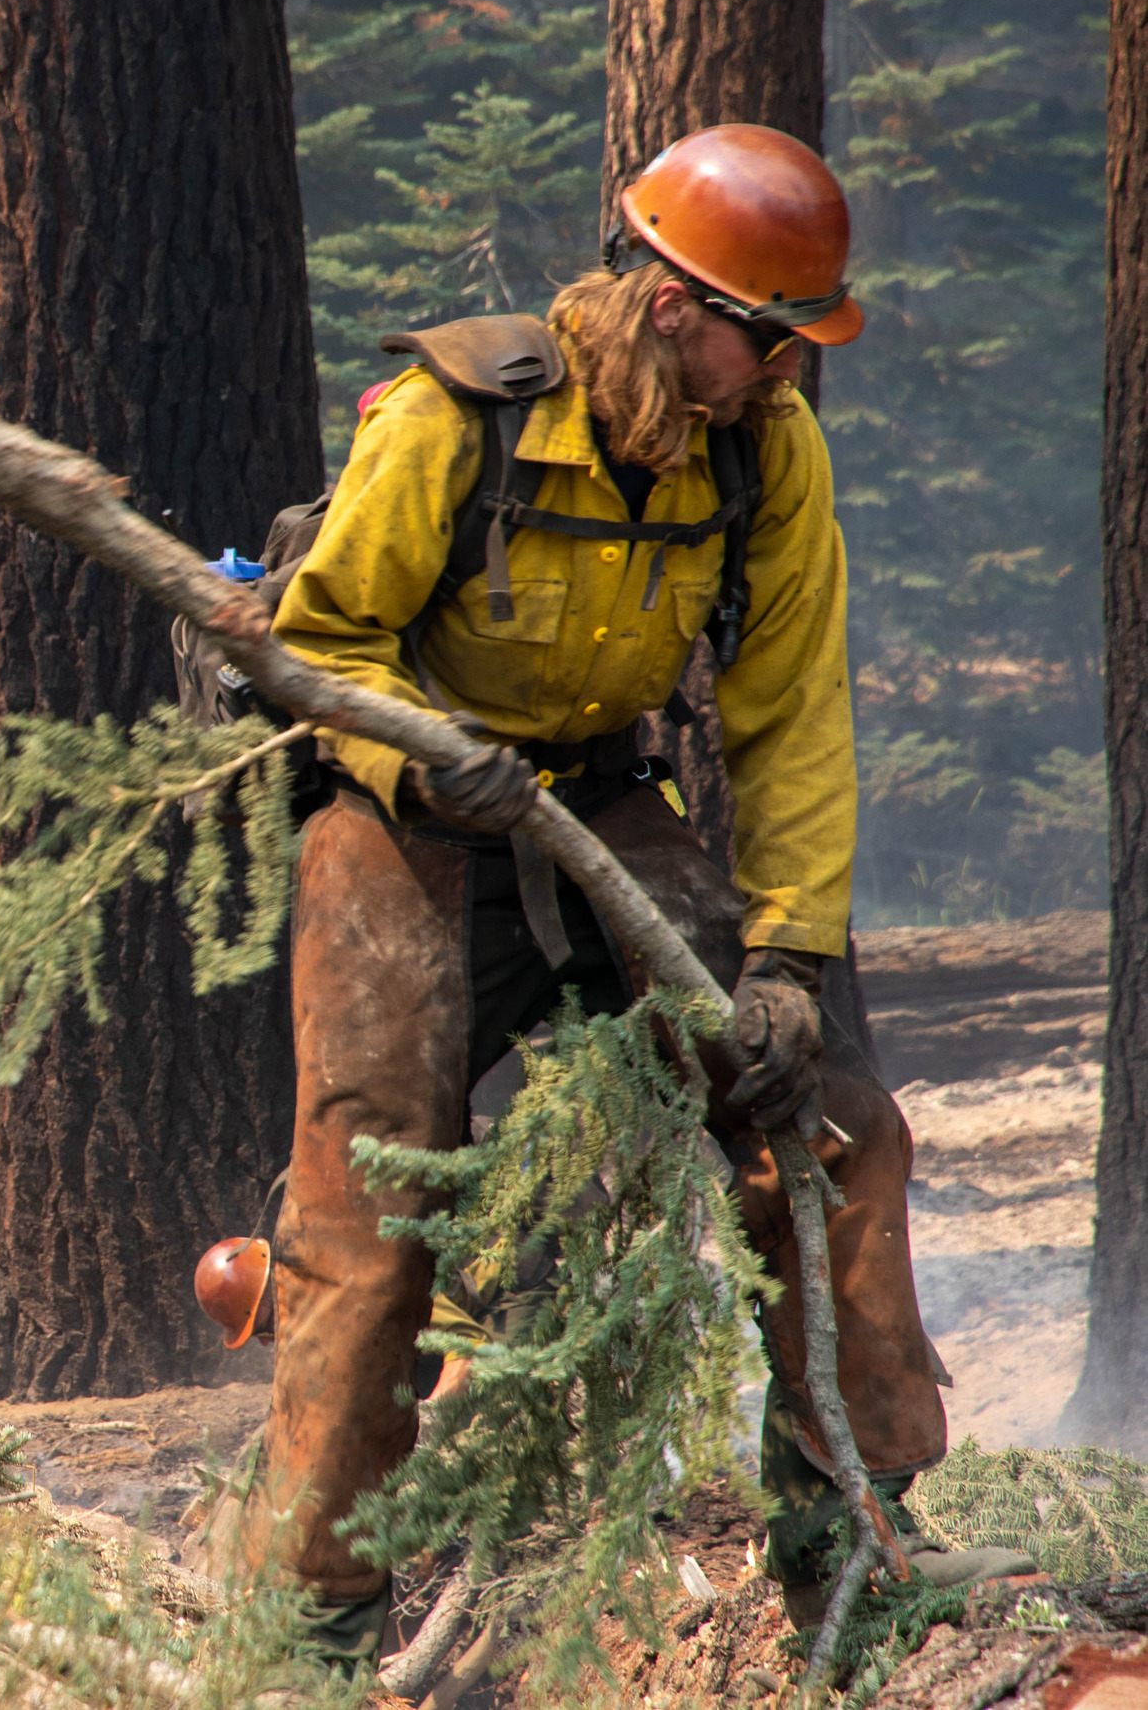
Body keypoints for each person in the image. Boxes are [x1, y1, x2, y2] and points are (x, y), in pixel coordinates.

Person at [238, 125, 1019, 1662]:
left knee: (832, 1129)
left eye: (798, 343)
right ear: (672, 308)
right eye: (768, 337)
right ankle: (309, 1629)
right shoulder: (455, 415)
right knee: (370, 1217)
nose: (786, 372)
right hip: (398, 826)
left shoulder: (760, 450)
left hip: (600, 805)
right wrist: (416, 764)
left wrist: (787, 957)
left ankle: (848, 1540)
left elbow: (788, 711)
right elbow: (311, 646)